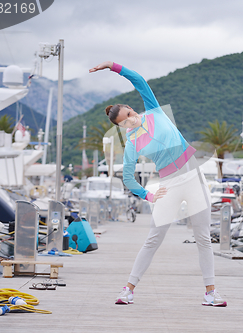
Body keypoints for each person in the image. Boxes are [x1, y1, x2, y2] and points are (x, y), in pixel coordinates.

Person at [89, 61, 226, 307]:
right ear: (120, 127)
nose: (130, 121)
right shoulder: (132, 143)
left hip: (194, 178)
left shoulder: (154, 110)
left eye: (129, 114)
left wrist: (114, 66)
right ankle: (128, 290)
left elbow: (139, 81)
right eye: (124, 122)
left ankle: (211, 292)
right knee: (153, 238)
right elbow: (128, 178)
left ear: (132, 109)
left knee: (203, 237)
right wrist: (149, 196)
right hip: (169, 186)